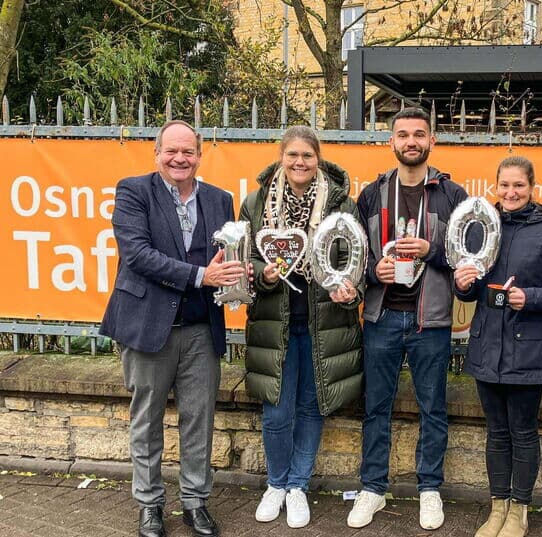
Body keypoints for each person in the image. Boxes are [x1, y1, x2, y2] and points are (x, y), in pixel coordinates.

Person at [101, 120, 246, 537]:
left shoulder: (221, 199)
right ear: (157, 153)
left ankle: (195, 503)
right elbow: (138, 255)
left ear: (200, 155)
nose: (180, 159)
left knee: (199, 420)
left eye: (188, 152)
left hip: (201, 329)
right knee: (145, 421)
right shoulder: (133, 191)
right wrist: (202, 275)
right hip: (148, 328)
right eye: (172, 151)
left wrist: (240, 278)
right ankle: (149, 505)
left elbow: (229, 260)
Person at [347, 107, 468, 530]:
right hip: (381, 316)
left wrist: (430, 250)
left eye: (419, 134)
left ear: (431, 141)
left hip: (429, 320)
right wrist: (371, 271)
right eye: (403, 134)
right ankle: (372, 489)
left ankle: (429, 489)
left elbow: (466, 256)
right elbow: (354, 255)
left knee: (432, 407)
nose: (411, 141)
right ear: (392, 142)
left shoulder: (452, 195)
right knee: (375, 408)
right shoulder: (373, 194)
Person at [240, 126, 364, 529]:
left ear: (318, 158)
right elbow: (241, 260)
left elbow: (357, 258)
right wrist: (265, 274)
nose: (299, 163)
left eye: (307, 156)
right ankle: (275, 484)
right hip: (274, 323)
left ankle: (297, 486)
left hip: (323, 323)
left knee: (311, 407)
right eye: (292, 155)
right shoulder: (256, 203)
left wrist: (352, 288)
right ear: (282, 157)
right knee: (277, 409)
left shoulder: (342, 203)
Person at [453, 157, 542, 537]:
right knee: (496, 432)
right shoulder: (482, 227)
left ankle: (520, 510)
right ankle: (497, 508)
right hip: (488, 344)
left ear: (532, 187)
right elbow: (472, 288)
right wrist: (462, 283)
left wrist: (531, 297)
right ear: (496, 186)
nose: (510, 193)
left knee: (523, 431)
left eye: (518, 186)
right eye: (504, 185)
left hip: (529, 348)